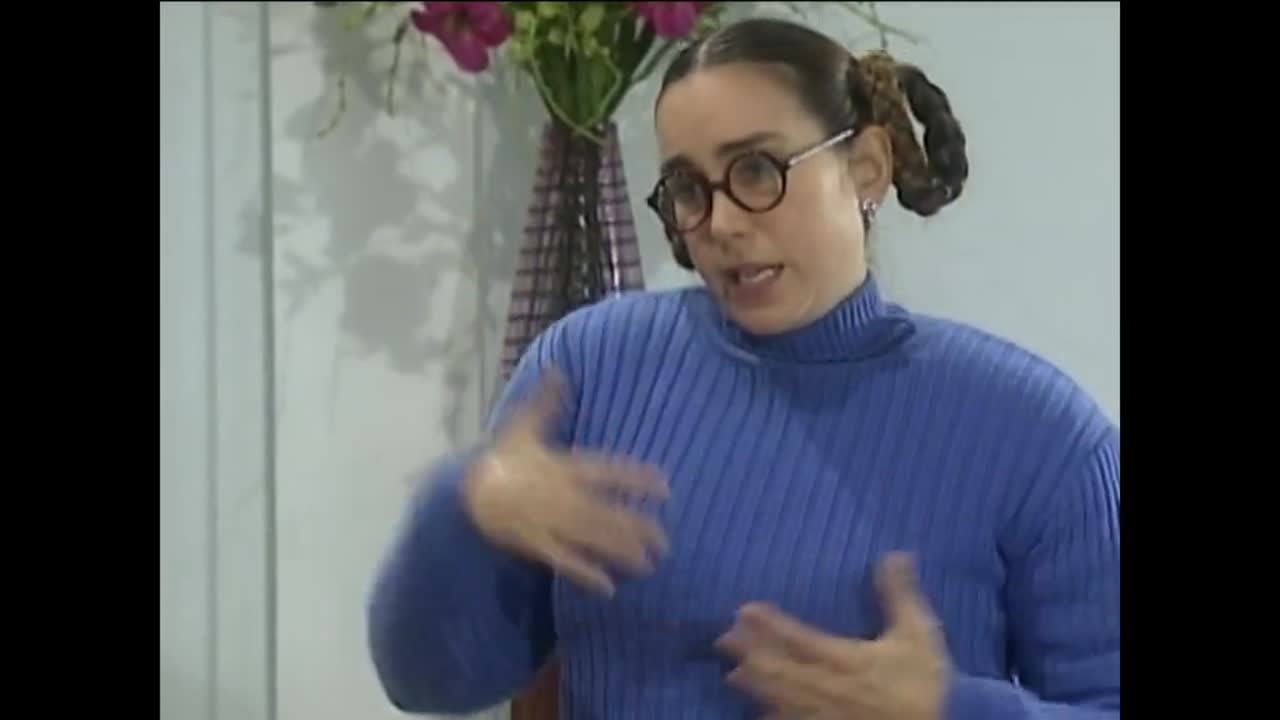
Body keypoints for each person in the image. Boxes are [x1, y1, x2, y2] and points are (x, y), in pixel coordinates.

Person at [366, 16, 1120, 720]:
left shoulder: (1039, 433)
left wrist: (951, 710)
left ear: (866, 169)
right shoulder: (588, 371)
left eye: (758, 171)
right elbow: (427, 683)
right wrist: (466, 509)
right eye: (688, 189)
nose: (721, 224)